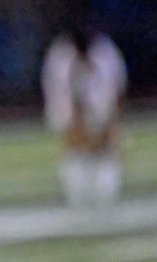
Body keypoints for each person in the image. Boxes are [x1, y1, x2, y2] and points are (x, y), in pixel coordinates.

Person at [40, 25, 127, 208]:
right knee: (76, 153)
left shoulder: (105, 52)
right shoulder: (61, 56)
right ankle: (79, 200)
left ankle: (106, 200)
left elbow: (117, 87)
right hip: (67, 113)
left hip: (101, 109)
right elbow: (60, 93)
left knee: (104, 153)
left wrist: (109, 122)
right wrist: (73, 124)